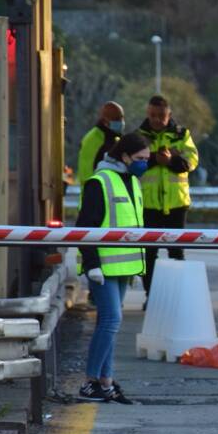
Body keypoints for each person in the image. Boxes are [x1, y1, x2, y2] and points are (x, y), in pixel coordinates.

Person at [75, 131, 151, 404]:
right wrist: (91, 263)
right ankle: (89, 382)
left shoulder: (131, 181)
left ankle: (105, 382)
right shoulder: (100, 182)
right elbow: (85, 227)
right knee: (110, 322)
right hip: (103, 267)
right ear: (125, 156)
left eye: (147, 158)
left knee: (112, 324)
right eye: (141, 158)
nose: (145, 163)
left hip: (122, 267)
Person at [138, 94, 199, 301]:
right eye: (153, 115)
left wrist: (172, 160)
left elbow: (191, 162)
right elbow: (133, 165)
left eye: (161, 116)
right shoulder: (139, 136)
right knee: (149, 253)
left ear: (169, 115)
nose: (157, 119)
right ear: (148, 113)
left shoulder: (182, 134)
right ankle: (151, 297)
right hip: (148, 204)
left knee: (176, 252)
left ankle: (177, 296)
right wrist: (157, 159)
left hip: (176, 204)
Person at [76, 101, 125, 187]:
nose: (121, 122)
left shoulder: (114, 137)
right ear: (104, 120)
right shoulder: (93, 140)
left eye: (122, 118)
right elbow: (87, 174)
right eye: (117, 119)